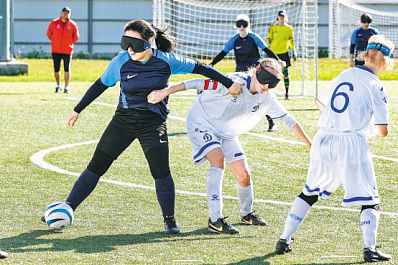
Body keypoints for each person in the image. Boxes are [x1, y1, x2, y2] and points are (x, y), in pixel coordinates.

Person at [42, 19, 243, 234]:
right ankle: (67, 208)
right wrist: (77, 109)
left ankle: (170, 220)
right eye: (125, 43)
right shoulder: (120, 61)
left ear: (149, 42)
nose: (129, 49)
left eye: (134, 44)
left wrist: (229, 83)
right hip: (123, 121)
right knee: (96, 166)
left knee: (161, 172)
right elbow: (100, 84)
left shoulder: (167, 61)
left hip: (153, 124)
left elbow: (201, 68)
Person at [147, 58, 312, 234]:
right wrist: (165, 91)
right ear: (257, 72)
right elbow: (197, 82)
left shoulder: (267, 97)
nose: (267, 86)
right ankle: (215, 219)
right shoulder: (233, 82)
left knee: (244, 175)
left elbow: (288, 120)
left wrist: (311, 144)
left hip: (226, 131)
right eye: (265, 80)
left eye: (273, 83)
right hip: (202, 122)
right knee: (218, 159)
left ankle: (247, 214)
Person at [275, 35, 394, 263]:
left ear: (365, 55)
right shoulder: (376, 85)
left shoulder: (345, 74)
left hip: (324, 138)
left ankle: (284, 238)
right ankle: (370, 249)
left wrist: (339, 120)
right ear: (385, 62)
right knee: (370, 198)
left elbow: (319, 102)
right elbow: (382, 131)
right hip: (350, 142)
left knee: (310, 191)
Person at [210, 14, 284, 132]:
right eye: (239, 24)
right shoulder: (234, 39)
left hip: (255, 71)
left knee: (261, 95)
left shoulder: (254, 37)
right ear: (236, 26)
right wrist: (212, 64)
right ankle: (225, 122)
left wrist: (278, 60)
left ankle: (271, 122)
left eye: (244, 24)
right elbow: (223, 53)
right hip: (240, 70)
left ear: (248, 25)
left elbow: (266, 49)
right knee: (234, 94)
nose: (242, 26)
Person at [47, 7, 80, 93]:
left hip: (67, 50)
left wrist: (69, 43)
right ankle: (58, 85)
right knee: (56, 68)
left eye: (67, 12)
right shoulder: (54, 23)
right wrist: (55, 41)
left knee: (67, 68)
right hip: (56, 49)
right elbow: (49, 33)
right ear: (61, 13)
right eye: (64, 12)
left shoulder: (72, 24)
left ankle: (66, 86)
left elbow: (76, 36)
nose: (66, 14)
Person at [267, 10, 296, 100]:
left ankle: (287, 93)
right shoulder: (273, 28)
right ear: (277, 17)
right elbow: (269, 39)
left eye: (283, 16)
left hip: (284, 53)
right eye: (280, 16)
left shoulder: (289, 28)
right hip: (273, 53)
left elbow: (291, 40)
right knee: (269, 72)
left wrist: (293, 51)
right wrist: (266, 49)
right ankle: (267, 93)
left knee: (285, 73)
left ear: (285, 17)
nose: (281, 18)